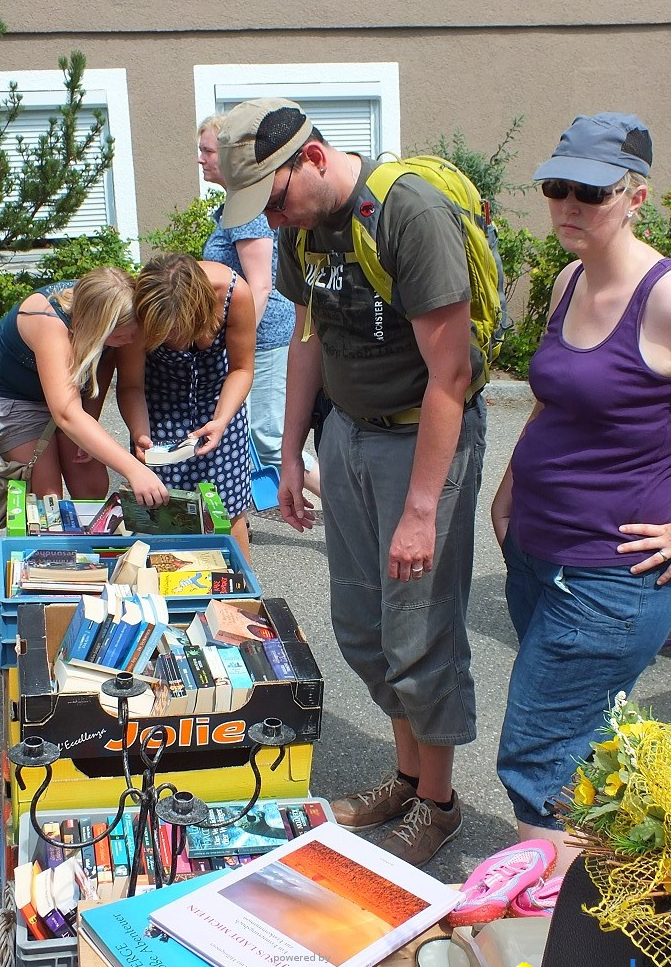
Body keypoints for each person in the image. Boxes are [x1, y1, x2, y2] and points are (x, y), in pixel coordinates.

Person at [216, 97, 487, 867]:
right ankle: (406, 778)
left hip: (417, 445)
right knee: (364, 629)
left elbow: (452, 374)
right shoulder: (303, 228)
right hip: (349, 439)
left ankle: (438, 803)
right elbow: (309, 339)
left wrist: (422, 511)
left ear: (311, 156)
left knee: (420, 631)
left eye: (273, 199)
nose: (270, 222)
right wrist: (292, 452)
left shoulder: (410, 213)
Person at [491, 111, 671, 876]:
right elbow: (552, 401)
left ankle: (548, 956)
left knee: (537, 765)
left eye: (590, 193)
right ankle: (619, 899)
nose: (568, 205)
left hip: (610, 578)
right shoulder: (570, 279)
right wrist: (506, 490)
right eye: (557, 188)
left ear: (636, 196)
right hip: (539, 553)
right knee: (583, 752)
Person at [197, 114, 320, 496]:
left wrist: (239, 345)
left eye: (208, 150)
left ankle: (347, 514)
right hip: (254, 339)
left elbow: (261, 286)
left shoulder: (248, 210)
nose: (200, 158)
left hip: (264, 340)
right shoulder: (236, 206)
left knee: (269, 436)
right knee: (240, 428)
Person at [0, 267, 168, 505]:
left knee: (92, 486)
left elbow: (104, 363)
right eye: (120, 337)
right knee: (47, 498)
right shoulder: (48, 322)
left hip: (67, 390)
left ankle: (82, 540)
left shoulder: (118, 311)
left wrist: (89, 420)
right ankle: (45, 541)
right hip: (13, 396)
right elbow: (66, 414)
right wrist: (134, 470)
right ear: (94, 326)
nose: (130, 343)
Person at [133, 253, 255, 561]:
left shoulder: (233, 293)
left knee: (228, 508)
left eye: (179, 331)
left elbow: (242, 369)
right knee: (161, 509)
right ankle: (165, 597)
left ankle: (240, 598)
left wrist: (222, 420)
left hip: (220, 404)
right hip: (160, 407)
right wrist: (139, 432)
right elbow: (131, 385)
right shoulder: (139, 305)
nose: (173, 342)